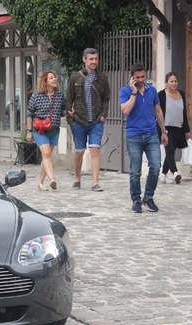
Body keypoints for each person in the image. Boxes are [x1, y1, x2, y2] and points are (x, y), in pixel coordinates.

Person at [119, 63, 168, 213]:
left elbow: (158, 110)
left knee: (155, 166)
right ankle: (136, 200)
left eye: (143, 76)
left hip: (152, 133)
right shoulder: (125, 91)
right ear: (132, 77)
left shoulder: (152, 90)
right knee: (135, 171)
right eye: (137, 77)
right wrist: (134, 93)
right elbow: (126, 110)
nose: (141, 80)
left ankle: (148, 197)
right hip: (134, 135)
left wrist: (164, 131)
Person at [65, 48, 111, 192]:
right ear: (84, 59)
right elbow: (68, 99)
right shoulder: (75, 78)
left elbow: (106, 98)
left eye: (96, 59)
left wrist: (103, 115)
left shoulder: (102, 78)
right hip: (79, 120)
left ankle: (95, 182)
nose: (94, 62)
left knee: (94, 150)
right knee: (79, 151)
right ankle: (77, 177)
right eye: (91, 59)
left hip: (96, 120)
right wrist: (70, 119)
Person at [26, 71, 66, 191]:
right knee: (46, 154)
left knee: (46, 156)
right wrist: (29, 131)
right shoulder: (36, 96)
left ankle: (40, 183)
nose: (54, 79)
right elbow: (29, 114)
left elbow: (63, 111)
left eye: (55, 77)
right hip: (40, 130)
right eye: (51, 78)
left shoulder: (59, 95)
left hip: (53, 130)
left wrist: (70, 112)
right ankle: (52, 179)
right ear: (45, 81)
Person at [157, 72, 191, 184]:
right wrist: (161, 129)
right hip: (165, 127)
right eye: (171, 81)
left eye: (175, 81)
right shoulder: (161, 94)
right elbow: (158, 111)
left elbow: (184, 112)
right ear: (167, 82)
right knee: (169, 150)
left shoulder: (181, 94)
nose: (174, 83)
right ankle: (175, 172)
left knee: (172, 151)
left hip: (178, 127)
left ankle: (163, 174)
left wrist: (187, 129)